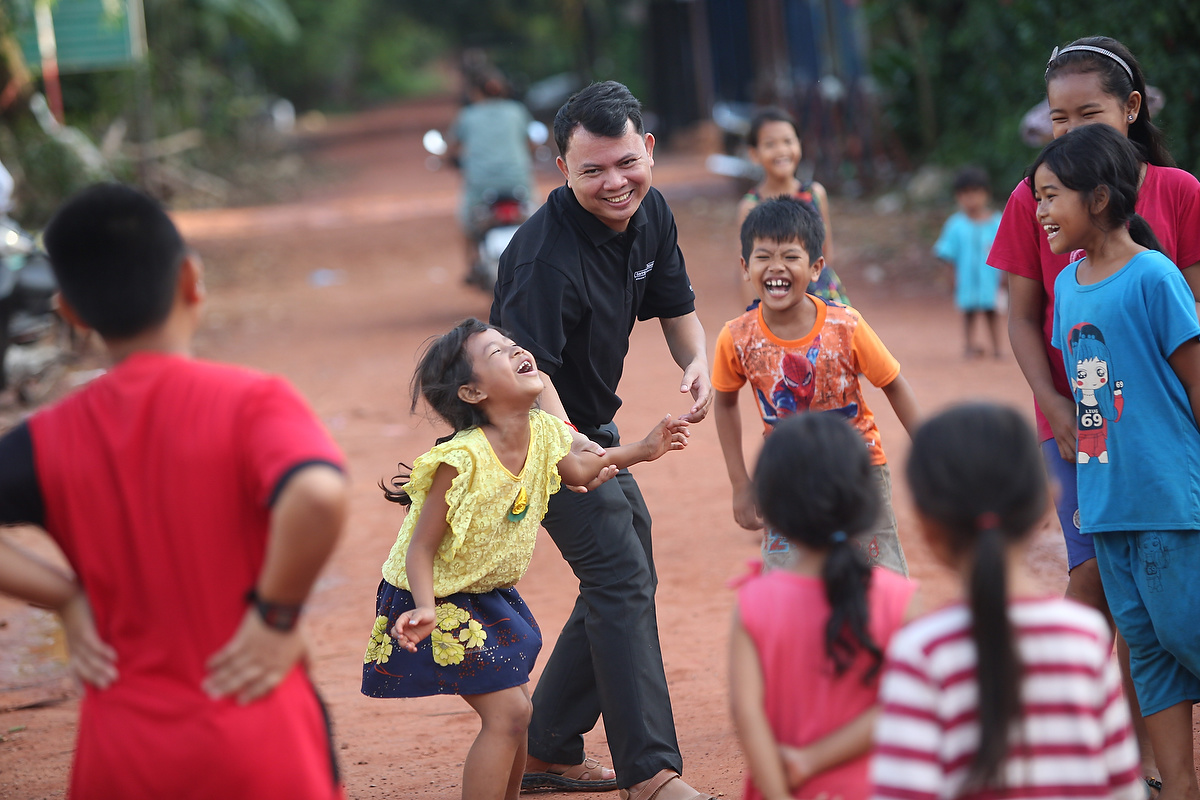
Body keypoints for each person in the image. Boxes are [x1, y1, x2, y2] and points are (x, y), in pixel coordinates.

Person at [0, 183, 349, 798]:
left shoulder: (45, 439)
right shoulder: (251, 402)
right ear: (192, 280)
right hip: (260, 734)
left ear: (72, 313)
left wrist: (64, 596)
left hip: (122, 752)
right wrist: (275, 615)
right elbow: (318, 495)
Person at [490, 80, 716, 800]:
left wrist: (696, 362)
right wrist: (579, 453)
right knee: (619, 573)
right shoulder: (543, 258)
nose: (614, 182)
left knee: (627, 562)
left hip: (588, 425)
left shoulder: (649, 215)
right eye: (592, 171)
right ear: (561, 167)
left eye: (625, 163)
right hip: (526, 432)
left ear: (647, 150)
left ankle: (548, 745)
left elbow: (677, 306)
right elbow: (525, 382)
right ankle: (650, 773)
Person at [987, 37, 1200, 788]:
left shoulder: (1173, 204)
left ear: (1131, 109)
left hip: (1165, 441)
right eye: (1057, 118)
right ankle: (1129, 760)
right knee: (1104, 582)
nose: (1071, 131)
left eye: (1090, 114)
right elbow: (1021, 316)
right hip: (1084, 434)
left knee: (1171, 607)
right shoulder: (1038, 210)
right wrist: (1052, 405)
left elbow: (1192, 321)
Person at [361, 318, 689, 800]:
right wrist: (426, 607)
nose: (516, 351)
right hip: (433, 593)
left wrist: (643, 449)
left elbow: (578, 468)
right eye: (497, 353)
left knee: (519, 712)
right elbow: (421, 548)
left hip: (483, 592)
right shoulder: (462, 460)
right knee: (510, 715)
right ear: (472, 393)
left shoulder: (541, 431)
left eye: (513, 344)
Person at [1038, 122, 1200, 800]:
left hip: (1166, 502)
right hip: (1106, 510)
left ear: (1098, 198)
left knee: (1185, 636)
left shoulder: (1155, 277)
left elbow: (1195, 385)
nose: (1040, 211)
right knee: (1154, 663)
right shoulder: (1069, 286)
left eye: (1052, 197)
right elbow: (1089, 399)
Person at [872, 403, 1144, 800]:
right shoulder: (1086, 640)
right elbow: (1121, 788)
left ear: (928, 528)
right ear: (1045, 504)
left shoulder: (921, 652)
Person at [713, 196, 919, 575]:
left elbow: (893, 383)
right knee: (786, 585)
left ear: (816, 267)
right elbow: (724, 402)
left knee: (880, 577)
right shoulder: (736, 337)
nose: (777, 268)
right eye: (763, 257)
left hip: (859, 470)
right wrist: (740, 483)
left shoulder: (847, 325)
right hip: (786, 476)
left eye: (791, 256)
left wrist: (927, 447)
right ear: (745, 267)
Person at [730, 413, 916, 800]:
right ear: (865, 500)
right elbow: (904, 704)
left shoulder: (753, 604)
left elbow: (747, 715)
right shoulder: (901, 601)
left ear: (772, 507)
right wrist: (812, 759)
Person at [736, 106, 849, 307]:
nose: (781, 150)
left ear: (799, 144)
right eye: (770, 144)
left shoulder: (815, 194)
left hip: (820, 295)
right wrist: (750, 315)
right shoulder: (750, 205)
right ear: (754, 153)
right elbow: (747, 264)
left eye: (788, 141)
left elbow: (826, 252)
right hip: (777, 295)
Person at [450, 67, 537, 287]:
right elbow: (532, 145)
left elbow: (452, 150)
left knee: (468, 222)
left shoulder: (468, 116)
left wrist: (451, 161)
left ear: (475, 93)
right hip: (518, 183)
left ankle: (473, 264)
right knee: (536, 219)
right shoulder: (517, 111)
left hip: (481, 188)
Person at [933, 166, 1004, 359]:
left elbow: (1006, 252)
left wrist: (1005, 277)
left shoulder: (998, 223)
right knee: (969, 313)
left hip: (991, 279)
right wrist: (950, 277)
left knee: (992, 312)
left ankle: (997, 347)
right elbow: (947, 254)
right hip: (966, 280)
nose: (971, 199)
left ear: (986, 194)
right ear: (958, 197)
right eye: (965, 194)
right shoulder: (955, 224)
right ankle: (969, 346)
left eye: (975, 193)